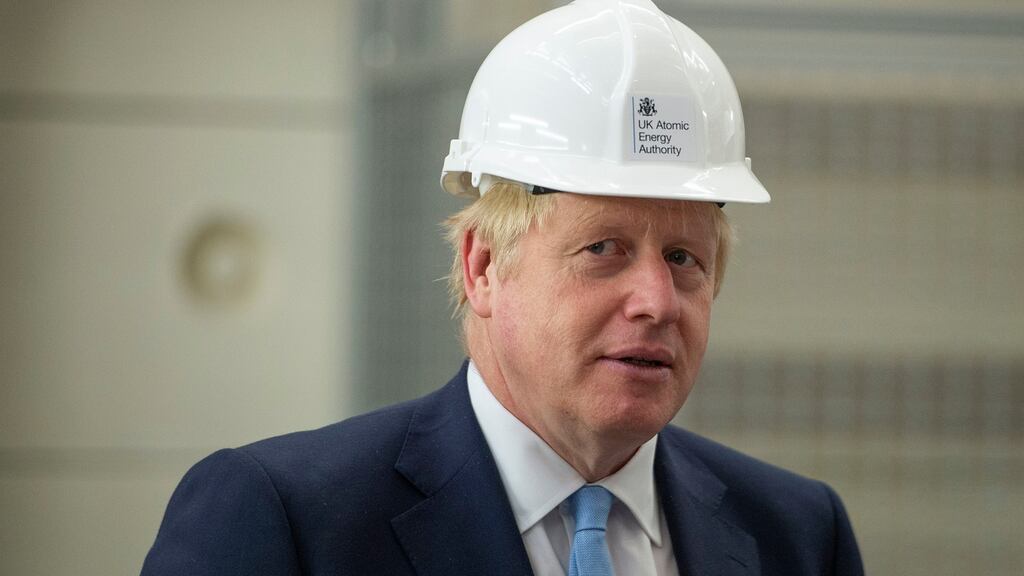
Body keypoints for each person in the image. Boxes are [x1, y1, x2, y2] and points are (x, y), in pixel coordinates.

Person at [142, 1, 864, 574]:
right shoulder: (287, 520)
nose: (656, 300)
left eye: (684, 258)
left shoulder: (799, 536)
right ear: (482, 267)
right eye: (604, 249)